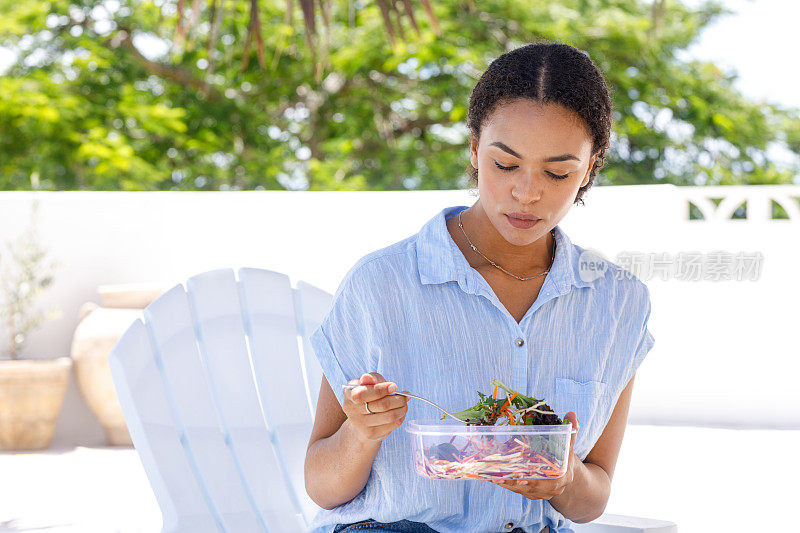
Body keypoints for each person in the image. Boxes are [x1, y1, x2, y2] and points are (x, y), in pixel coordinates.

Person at [304, 41, 655, 533]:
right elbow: (321, 485)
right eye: (505, 164)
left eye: (557, 172)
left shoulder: (617, 303)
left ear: (590, 168)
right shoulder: (382, 284)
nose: (527, 192)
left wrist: (563, 476)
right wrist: (362, 434)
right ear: (474, 149)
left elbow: (592, 496)